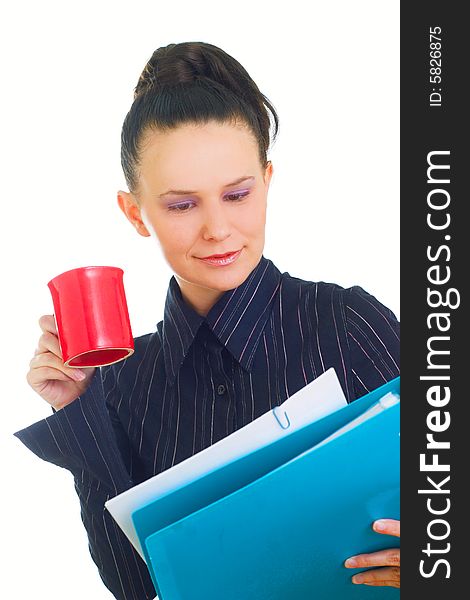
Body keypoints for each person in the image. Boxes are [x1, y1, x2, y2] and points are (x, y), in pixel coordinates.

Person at [15, 41, 400, 599]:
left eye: (237, 194)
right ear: (135, 213)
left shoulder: (345, 323)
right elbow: (136, 589)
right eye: (181, 205)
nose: (218, 228)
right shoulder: (118, 382)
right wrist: (78, 409)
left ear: (267, 182)